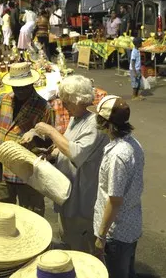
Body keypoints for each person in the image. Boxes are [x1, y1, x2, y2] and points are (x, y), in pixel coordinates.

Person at [33, 75, 108, 254]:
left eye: (67, 102)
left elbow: (76, 153)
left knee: (84, 250)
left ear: (78, 100)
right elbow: (66, 144)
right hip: (68, 193)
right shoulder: (76, 118)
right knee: (68, 241)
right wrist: (52, 154)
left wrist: (50, 131)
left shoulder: (95, 124)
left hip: (83, 198)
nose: (64, 106)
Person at [90, 95, 144, 278]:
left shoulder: (117, 156)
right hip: (130, 223)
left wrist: (101, 236)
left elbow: (114, 200)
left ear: (104, 122)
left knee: (116, 273)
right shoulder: (133, 143)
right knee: (127, 271)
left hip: (116, 232)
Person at [0, 62, 55, 216]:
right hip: (3, 166)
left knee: (31, 216)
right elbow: (1, 127)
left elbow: (49, 143)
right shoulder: (6, 100)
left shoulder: (44, 107)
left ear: (31, 84)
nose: (19, 91)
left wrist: (36, 133)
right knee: (0, 214)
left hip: (28, 172)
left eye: (23, 87)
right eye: (16, 87)